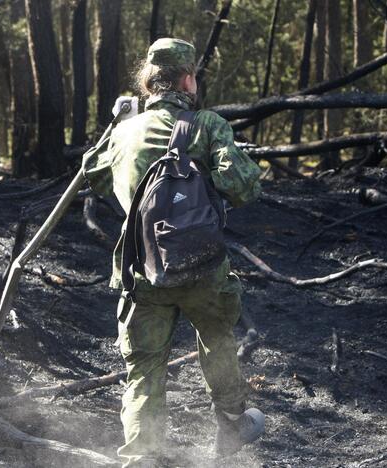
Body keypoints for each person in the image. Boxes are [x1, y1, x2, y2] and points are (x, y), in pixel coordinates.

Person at [81, 38, 264, 467]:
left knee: (144, 370)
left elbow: (94, 178)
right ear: (186, 79)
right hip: (203, 269)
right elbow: (244, 186)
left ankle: (143, 456)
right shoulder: (207, 125)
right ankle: (232, 425)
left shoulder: (124, 133)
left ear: (148, 82)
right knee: (218, 340)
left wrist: (116, 125)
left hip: (143, 272)